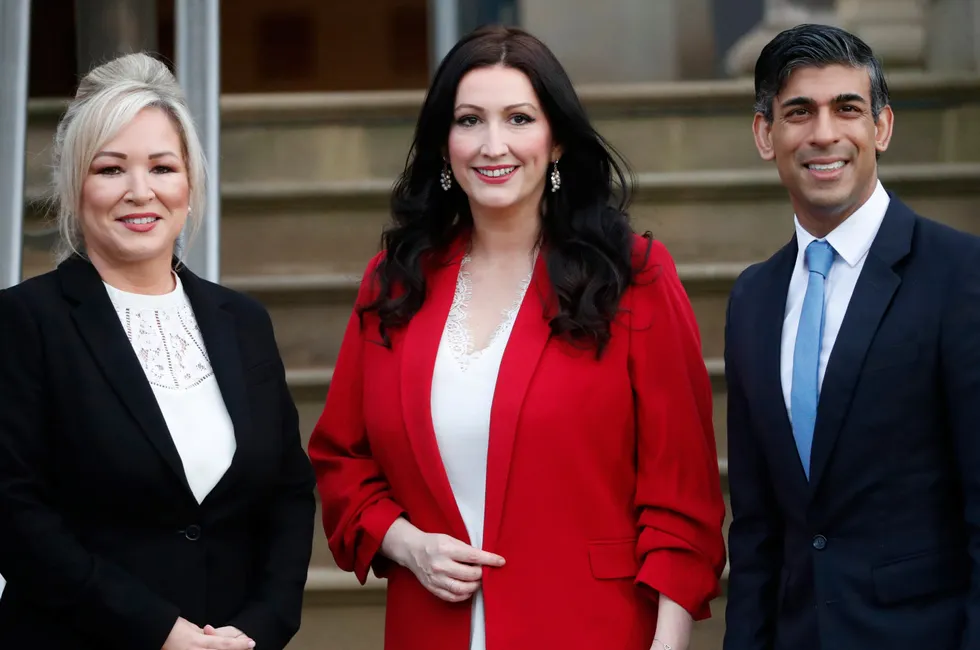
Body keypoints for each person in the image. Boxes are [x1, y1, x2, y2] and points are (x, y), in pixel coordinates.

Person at [308, 25, 726, 650]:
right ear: (444, 142)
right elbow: (343, 461)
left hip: (593, 629)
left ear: (556, 140)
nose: (492, 144)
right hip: (429, 631)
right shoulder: (394, 283)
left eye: (519, 118)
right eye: (470, 120)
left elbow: (682, 502)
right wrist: (407, 543)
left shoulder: (633, 276)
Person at [0, 53, 316, 650]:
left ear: (189, 185)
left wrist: (258, 628)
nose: (139, 192)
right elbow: (15, 515)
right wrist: (161, 633)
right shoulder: (24, 321)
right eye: (111, 168)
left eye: (162, 167)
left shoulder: (243, 322)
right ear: (76, 188)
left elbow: (288, 494)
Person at [723, 23, 980, 650]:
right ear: (766, 135)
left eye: (848, 108)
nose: (824, 134)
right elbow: (756, 532)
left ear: (882, 128)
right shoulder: (753, 299)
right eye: (798, 112)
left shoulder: (961, 276)